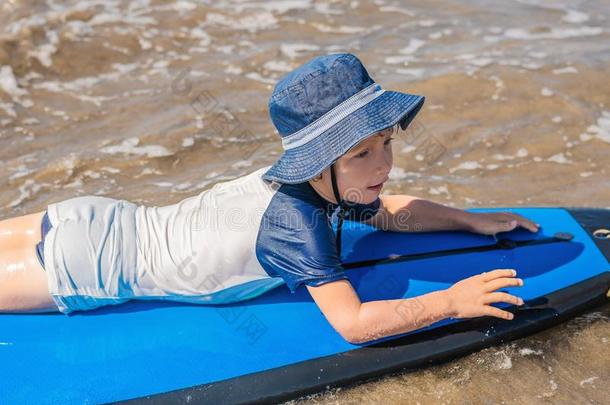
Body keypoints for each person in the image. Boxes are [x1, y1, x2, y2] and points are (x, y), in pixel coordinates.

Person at [0, 53, 539, 345]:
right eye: (362, 154)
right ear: (321, 162)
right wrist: (448, 302)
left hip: (94, 214)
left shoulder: (306, 180)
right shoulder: (297, 226)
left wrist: (469, 221)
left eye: (386, 144)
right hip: (85, 265)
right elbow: (354, 326)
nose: (382, 166)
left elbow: (391, 212)